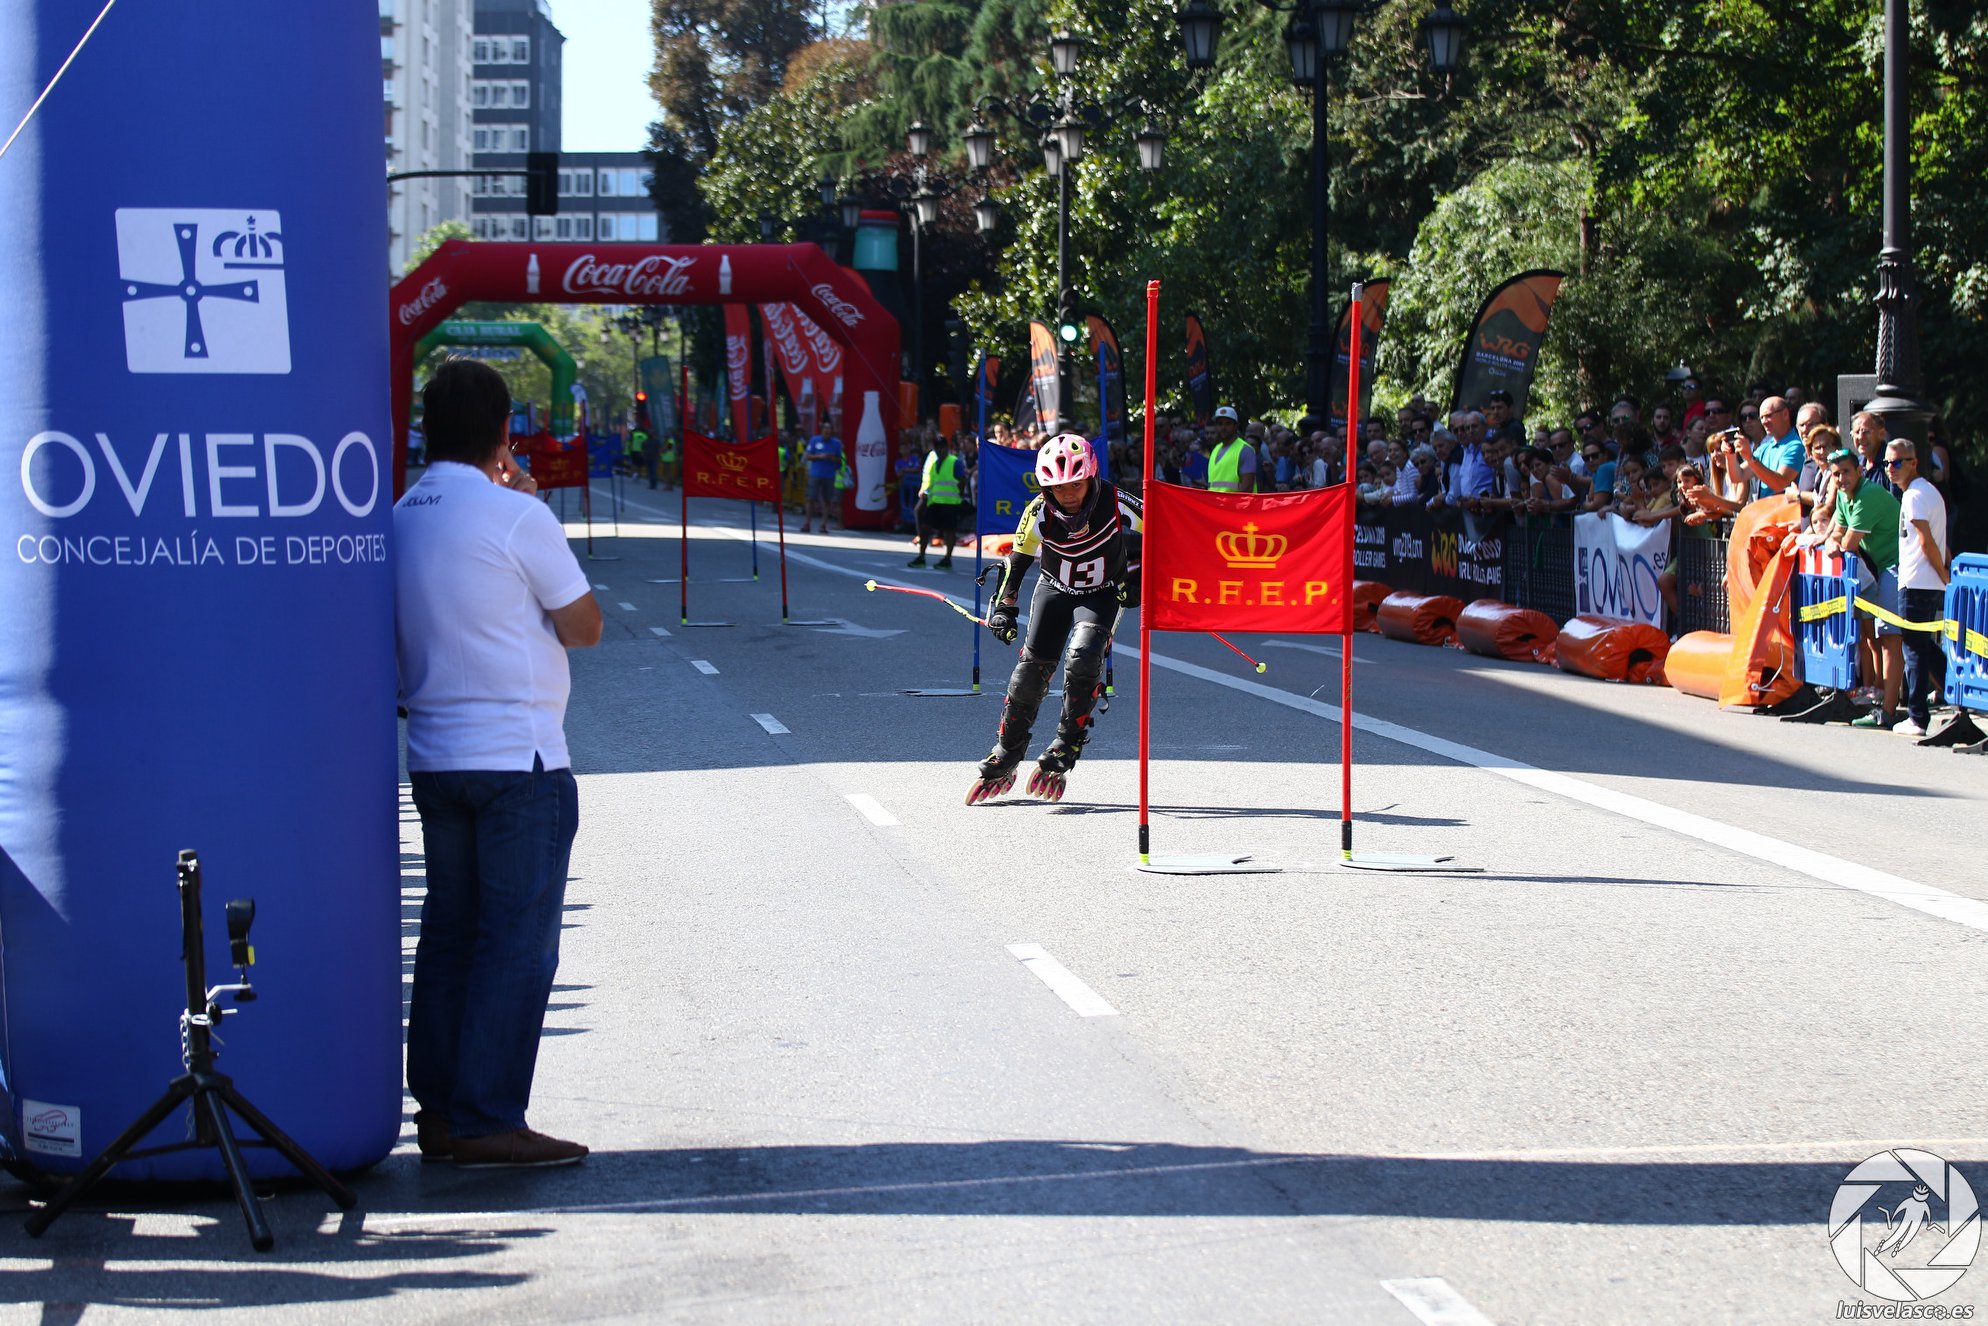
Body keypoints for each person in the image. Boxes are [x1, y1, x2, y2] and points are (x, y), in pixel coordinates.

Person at [393, 358, 603, 1169]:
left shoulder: (400, 515)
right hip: (520, 757)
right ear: (505, 430)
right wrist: (525, 504)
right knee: (517, 945)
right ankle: (489, 1116)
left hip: (434, 755)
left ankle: (442, 1114)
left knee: (448, 938)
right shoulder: (517, 515)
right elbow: (584, 626)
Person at [968, 434, 1142, 804]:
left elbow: (1165, 532)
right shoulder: (1038, 511)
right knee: (1030, 673)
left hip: (1102, 592)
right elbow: (1017, 561)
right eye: (1058, 488)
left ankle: (1067, 743)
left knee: (1083, 656)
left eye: (1076, 485)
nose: (1068, 495)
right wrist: (1004, 608)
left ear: (1091, 478)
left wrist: (1140, 579)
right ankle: (1007, 752)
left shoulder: (1116, 501)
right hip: (1055, 588)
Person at [1815, 445, 1904, 729]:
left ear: (1859, 471)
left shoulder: (1868, 495)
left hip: (1899, 567)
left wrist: (1835, 542)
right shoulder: (1845, 495)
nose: (1841, 479)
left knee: (1890, 639)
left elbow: (1848, 543)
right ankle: (1893, 702)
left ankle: (1888, 711)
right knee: (1896, 639)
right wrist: (1833, 541)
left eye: (1846, 472)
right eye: (1836, 474)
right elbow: (1837, 534)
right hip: (1885, 567)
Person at [1889, 439, 1950, 736]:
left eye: (1897, 462)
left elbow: (1926, 542)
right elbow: (1939, 541)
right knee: (1923, 645)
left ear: (1913, 462)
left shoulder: (1914, 495)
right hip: (1925, 581)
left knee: (1913, 648)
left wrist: (1943, 574)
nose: (1891, 468)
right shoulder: (1927, 492)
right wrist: (1942, 574)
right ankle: (1954, 691)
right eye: (1887, 463)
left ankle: (1917, 717)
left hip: (1916, 581)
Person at [909, 429, 967, 569]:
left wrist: (958, 493)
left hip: (950, 503)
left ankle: (947, 559)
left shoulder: (955, 462)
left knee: (949, 531)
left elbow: (962, 480)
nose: (940, 450)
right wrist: (926, 491)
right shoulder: (934, 463)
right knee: (925, 528)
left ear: (947, 447)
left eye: (942, 447)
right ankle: (921, 556)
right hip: (934, 502)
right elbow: (932, 481)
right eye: (937, 448)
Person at [801, 417, 841, 533]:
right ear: (822, 431)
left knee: (827, 500)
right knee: (811, 499)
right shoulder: (814, 440)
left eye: (829, 431)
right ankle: (807, 523)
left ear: (831, 432)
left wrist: (833, 458)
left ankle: (823, 525)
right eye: (825, 431)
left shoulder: (836, 443)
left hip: (829, 475)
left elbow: (839, 460)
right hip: (815, 474)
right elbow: (808, 456)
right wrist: (820, 456)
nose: (827, 433)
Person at [1206, 405, 1258, 493]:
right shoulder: (1215, 449)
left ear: (1236, 426)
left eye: (1228, 424)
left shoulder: (1245, 450)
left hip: (1235, 502)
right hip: (1215, 502)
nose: (1223, 428)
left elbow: (1247, 488)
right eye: (1220, 424)